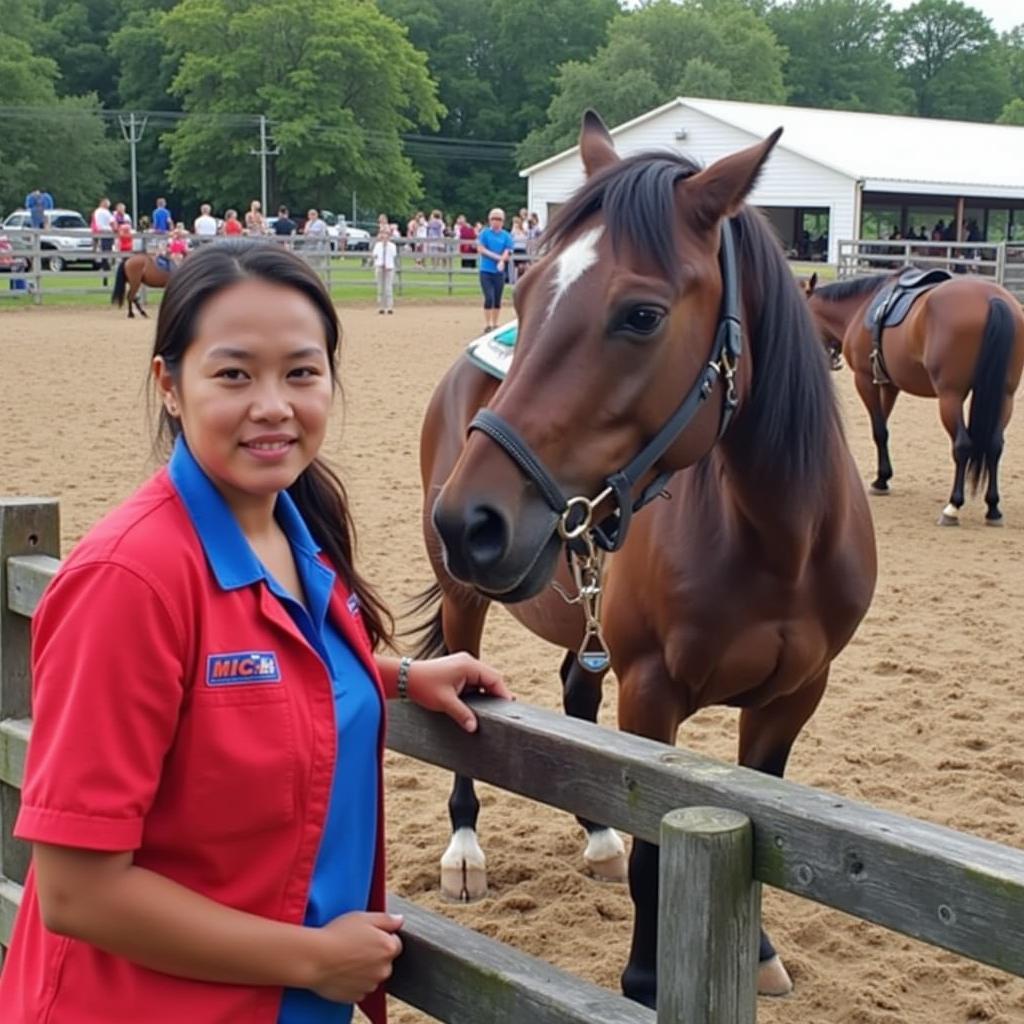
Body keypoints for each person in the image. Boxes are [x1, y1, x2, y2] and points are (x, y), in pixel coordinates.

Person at [0, 242, 509, 1024]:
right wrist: (309, 957)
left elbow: (246, 679)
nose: (273, 404)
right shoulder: (128, 580)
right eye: (234, 374)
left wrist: (390, 677)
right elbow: (77, 892)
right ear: (170, 385)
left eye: (301, 373)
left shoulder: (290, 531)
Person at [477, 207, 513, 332]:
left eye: (499, 219)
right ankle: (488, 324)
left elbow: (507, 251)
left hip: (499, 272)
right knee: (489, 297)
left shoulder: (506, 236)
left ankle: (495, 323)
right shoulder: (485, 233)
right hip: (486, 270)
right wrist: (498, 258)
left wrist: (502, 261)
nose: (496, 222)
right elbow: (481, 249)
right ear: (489, 220)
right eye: (493, 219)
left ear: (502, 221)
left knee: (497, 298)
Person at [372, 226, 397, 314]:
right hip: (379, 267)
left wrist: (387, 265)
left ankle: (389, 306)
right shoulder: (378, 245)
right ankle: (381, 306)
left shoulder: (392, 246)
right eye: (383, 234)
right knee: (380, 287)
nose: (384, 236)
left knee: (388, 287)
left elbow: (392, 256)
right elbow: (375, 256)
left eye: (386, 234)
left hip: (389, 268)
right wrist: (380, 263)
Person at [90, 197, 115, 280]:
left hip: (99, 232)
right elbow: (112, 223)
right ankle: (106, 269)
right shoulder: (106, 212)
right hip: (107, 232)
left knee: (104, 252)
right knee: (107, 252)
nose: (108, 206)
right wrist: (116, 230)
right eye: (108, 205)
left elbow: (94, 223)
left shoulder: (96, 211)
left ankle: (105, 270)